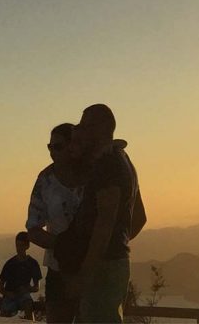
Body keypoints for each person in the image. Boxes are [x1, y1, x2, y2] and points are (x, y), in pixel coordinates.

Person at [55, 104, 146, 324]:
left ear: (99, 129)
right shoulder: (123, 160)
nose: (79, 131)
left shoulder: (108, 165)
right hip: (113, 263)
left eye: (84, 126)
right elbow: (140, 218)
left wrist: (86, 273)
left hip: (102, 268)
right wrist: (118, 243)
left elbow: (104, 223)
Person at [25, 123, 83, 323]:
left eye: (57, 146)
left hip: (92, 268)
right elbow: (33, 228)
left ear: (73, 146)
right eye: (50, 147)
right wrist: (63, 245)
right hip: (58, 269)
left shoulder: (93, 174)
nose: (52, 152)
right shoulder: (45, 180)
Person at [0, 233, 41, 320]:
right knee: (5, 313)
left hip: (23, 294)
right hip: (9, 295)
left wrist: (28, 289)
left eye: (21, 245)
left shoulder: (33, 263)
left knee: (28, 305)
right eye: (17, 245)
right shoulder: (10, 264)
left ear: (27, 246)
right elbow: (0, 287)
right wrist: (8, 293)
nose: (18, 248)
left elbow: (36, 287)